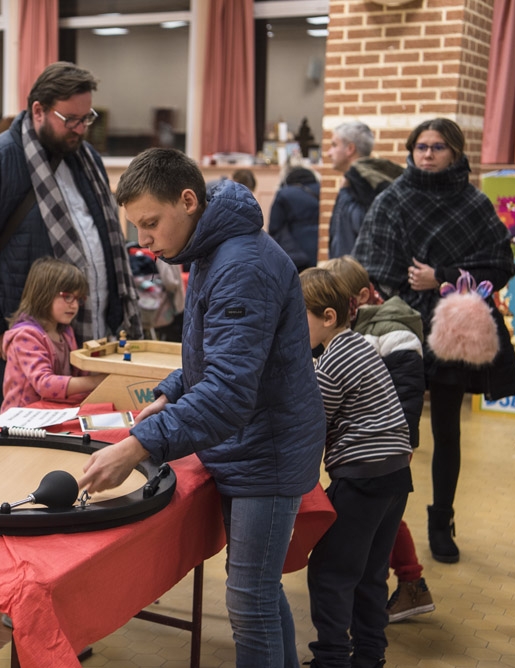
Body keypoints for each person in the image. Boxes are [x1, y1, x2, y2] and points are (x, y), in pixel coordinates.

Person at [77, 148, 325, 667]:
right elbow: (215, 353)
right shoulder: (215, 248)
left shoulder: (240, 264)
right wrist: (172, 391)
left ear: (188, 201)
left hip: (267, 451)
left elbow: (230, 391)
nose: (143, 240)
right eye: (136, 226)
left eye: (150, 223)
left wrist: (137, 446)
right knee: (259, 590)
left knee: (250, 600)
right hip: (255, 443)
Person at [353, 117, 515, 564]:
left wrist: (442, 276)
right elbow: (370, 265)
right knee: (396, 432)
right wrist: (408, 291)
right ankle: (386, 527)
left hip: (453, 330)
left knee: (447, 429)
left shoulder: (474, 203)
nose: (427, 154)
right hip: (400, 327)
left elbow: (501, 264)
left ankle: (441, 522)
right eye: (421, 146)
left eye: (438, 147)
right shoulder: (392, 199)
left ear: (456, 152)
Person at [0, 61, 142, 411]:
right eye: (71, 119)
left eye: (87, 118)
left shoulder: (86, 158)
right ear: (38, 110)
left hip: (93, 329)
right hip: (27, 334)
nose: (80, 129)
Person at [300, 267, 412, 668]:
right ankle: (369, 656)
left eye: (298, 318)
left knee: (329, 571)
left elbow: (311, 421)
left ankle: (331, 659)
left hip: (362, 476)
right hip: (395, 474)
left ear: (328, 317)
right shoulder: (360, 345)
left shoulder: (333, 361)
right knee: (369, 573)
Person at [325, 255, 434, 623]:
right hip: (370, 446)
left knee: (382, 517)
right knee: (382, 516)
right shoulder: (358, 326)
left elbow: (407, 394)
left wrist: (402, 442)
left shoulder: (394, 331)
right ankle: (403, 581)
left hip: (386, 445)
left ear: (361, 296)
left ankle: (408, 583)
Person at [1, 256, 106, 412]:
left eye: (78, 299)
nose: (74, 305)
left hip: (53, 411)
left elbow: (79, 371)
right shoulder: (26, 335)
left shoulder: (65, 331)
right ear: (43, 294)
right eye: (67, 297)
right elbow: (45, 384)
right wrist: (96, 381)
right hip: (22, 417)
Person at [326, 121, 404, 258]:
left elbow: (361, 229)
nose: (328, 153)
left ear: (350, 149)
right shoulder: (357, 181)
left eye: (334, 145)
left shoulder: (363, 184)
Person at [268, 166, 321, 273]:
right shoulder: (324, 191)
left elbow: (274, 227)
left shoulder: (284, 194)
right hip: (321, 249)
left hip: (297, 256)